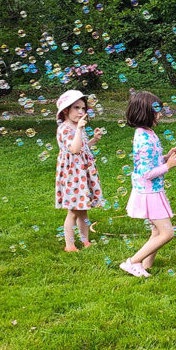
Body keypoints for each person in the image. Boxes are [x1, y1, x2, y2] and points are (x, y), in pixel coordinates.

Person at [120, 90, 176, 277]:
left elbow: (151, 162)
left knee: (157, 231)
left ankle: (146, 265)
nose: (159, 114)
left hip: (152, 190)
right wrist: (169, 165)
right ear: (145, 112)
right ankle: (132, 262)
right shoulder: (145, 139)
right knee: (167, 233)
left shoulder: (147, 133)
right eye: (156, 110)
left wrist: (167, 156)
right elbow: (148, 172)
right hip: (149, 192)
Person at [54, 90, 105, 252]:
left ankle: (85, 240)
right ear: (65, 111)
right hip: (73, 177)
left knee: (83, 210)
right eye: (76, 108)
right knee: (73, 212)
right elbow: (75, 149)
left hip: (82, 174)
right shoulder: (64, 129)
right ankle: (69, 245)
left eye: (83, 108)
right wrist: (78, 130)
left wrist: (93, 140)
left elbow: (82, 148)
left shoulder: (78, 127)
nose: (81, 112)